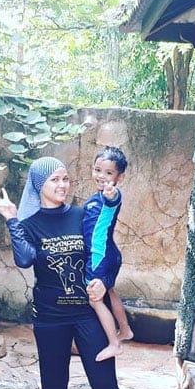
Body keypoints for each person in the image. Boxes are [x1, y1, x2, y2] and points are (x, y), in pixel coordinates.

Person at [0, 156, 138, 389]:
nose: (62, 185)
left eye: (66, 179)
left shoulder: (81, 215)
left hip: (87, 315)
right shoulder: (29, 224)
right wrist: (12, 219)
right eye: (54, 180)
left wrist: (103, 280)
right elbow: (25, 259)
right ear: (39, 185)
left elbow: (105, 248)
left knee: (106, 388)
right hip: (50, 319)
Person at [83, 146, 134, 361]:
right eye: (97, 170)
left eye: (109, 173)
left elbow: (112, 199)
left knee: (95, 299)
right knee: (109, 292)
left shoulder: (110, 196)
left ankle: (114, 344)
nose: (101, 176)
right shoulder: (96, 197)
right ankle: (125, 330)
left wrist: (110, 195)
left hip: (100, 258)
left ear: (119, 177)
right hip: (110, 254)